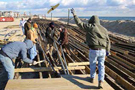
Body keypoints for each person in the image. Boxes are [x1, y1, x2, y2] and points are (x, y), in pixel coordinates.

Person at [71, 8, 111, 89]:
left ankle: (92, 78)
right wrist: (108, 50)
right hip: (103, 50)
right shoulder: (104, 29)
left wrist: (74, 15)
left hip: (94, 50)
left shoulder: (91, 26)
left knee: (92, 64)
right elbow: (108, 41)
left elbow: (80, 24)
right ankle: (101, 82)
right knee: (101, 66)